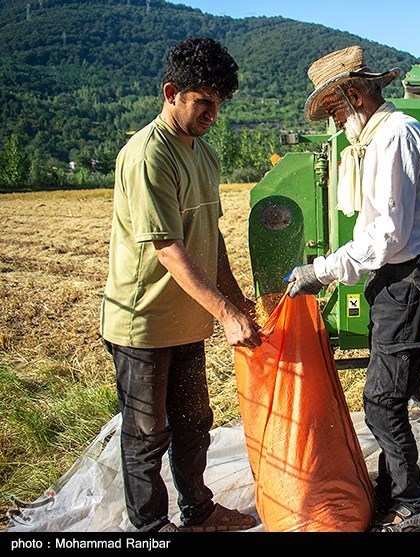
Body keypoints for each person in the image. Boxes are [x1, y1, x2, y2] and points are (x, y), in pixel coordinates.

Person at [287, 45, 420, 533]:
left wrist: (321, 271)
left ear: (358, 95)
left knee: (381, 402)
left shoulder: (394, 138)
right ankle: (390, 491)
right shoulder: (379, 137)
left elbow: (386, 236)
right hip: (400, 277)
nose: (337, 121)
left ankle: (411, 507)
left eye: (337, 109)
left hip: (410, 279)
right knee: (393, 396)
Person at [100, 36, 262, 533]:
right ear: (172, 92)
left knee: (194, 425)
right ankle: (151, 528)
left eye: (219, 103)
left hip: (189, 322)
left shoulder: (204, 156)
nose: (214, 113)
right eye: (204, 102)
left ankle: (199, 511)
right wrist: (226, 314)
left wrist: (237, 301)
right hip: (142, 324)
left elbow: (208, 237)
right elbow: (169, 248)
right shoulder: (149, 155)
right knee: (148, 434)